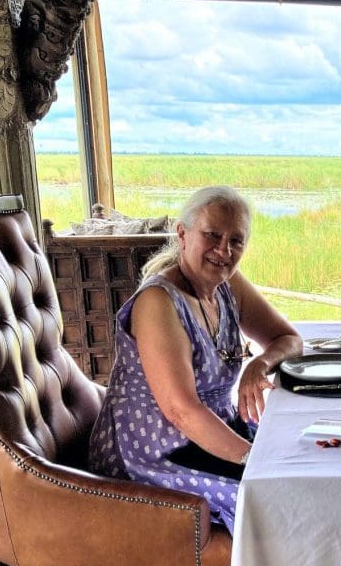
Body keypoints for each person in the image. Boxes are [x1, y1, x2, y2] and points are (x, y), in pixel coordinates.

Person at [89, 186, 302, 533]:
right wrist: (256, 460)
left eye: (236, 241)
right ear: (182, 234)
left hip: (211, 432)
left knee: (305, 462)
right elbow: (181, 411)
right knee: (275, 495)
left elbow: (289, 340)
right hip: (153, 452)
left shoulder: (227, 286)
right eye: (212, 235)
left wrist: (258, 364)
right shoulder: (158, 301)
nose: (224, 250)